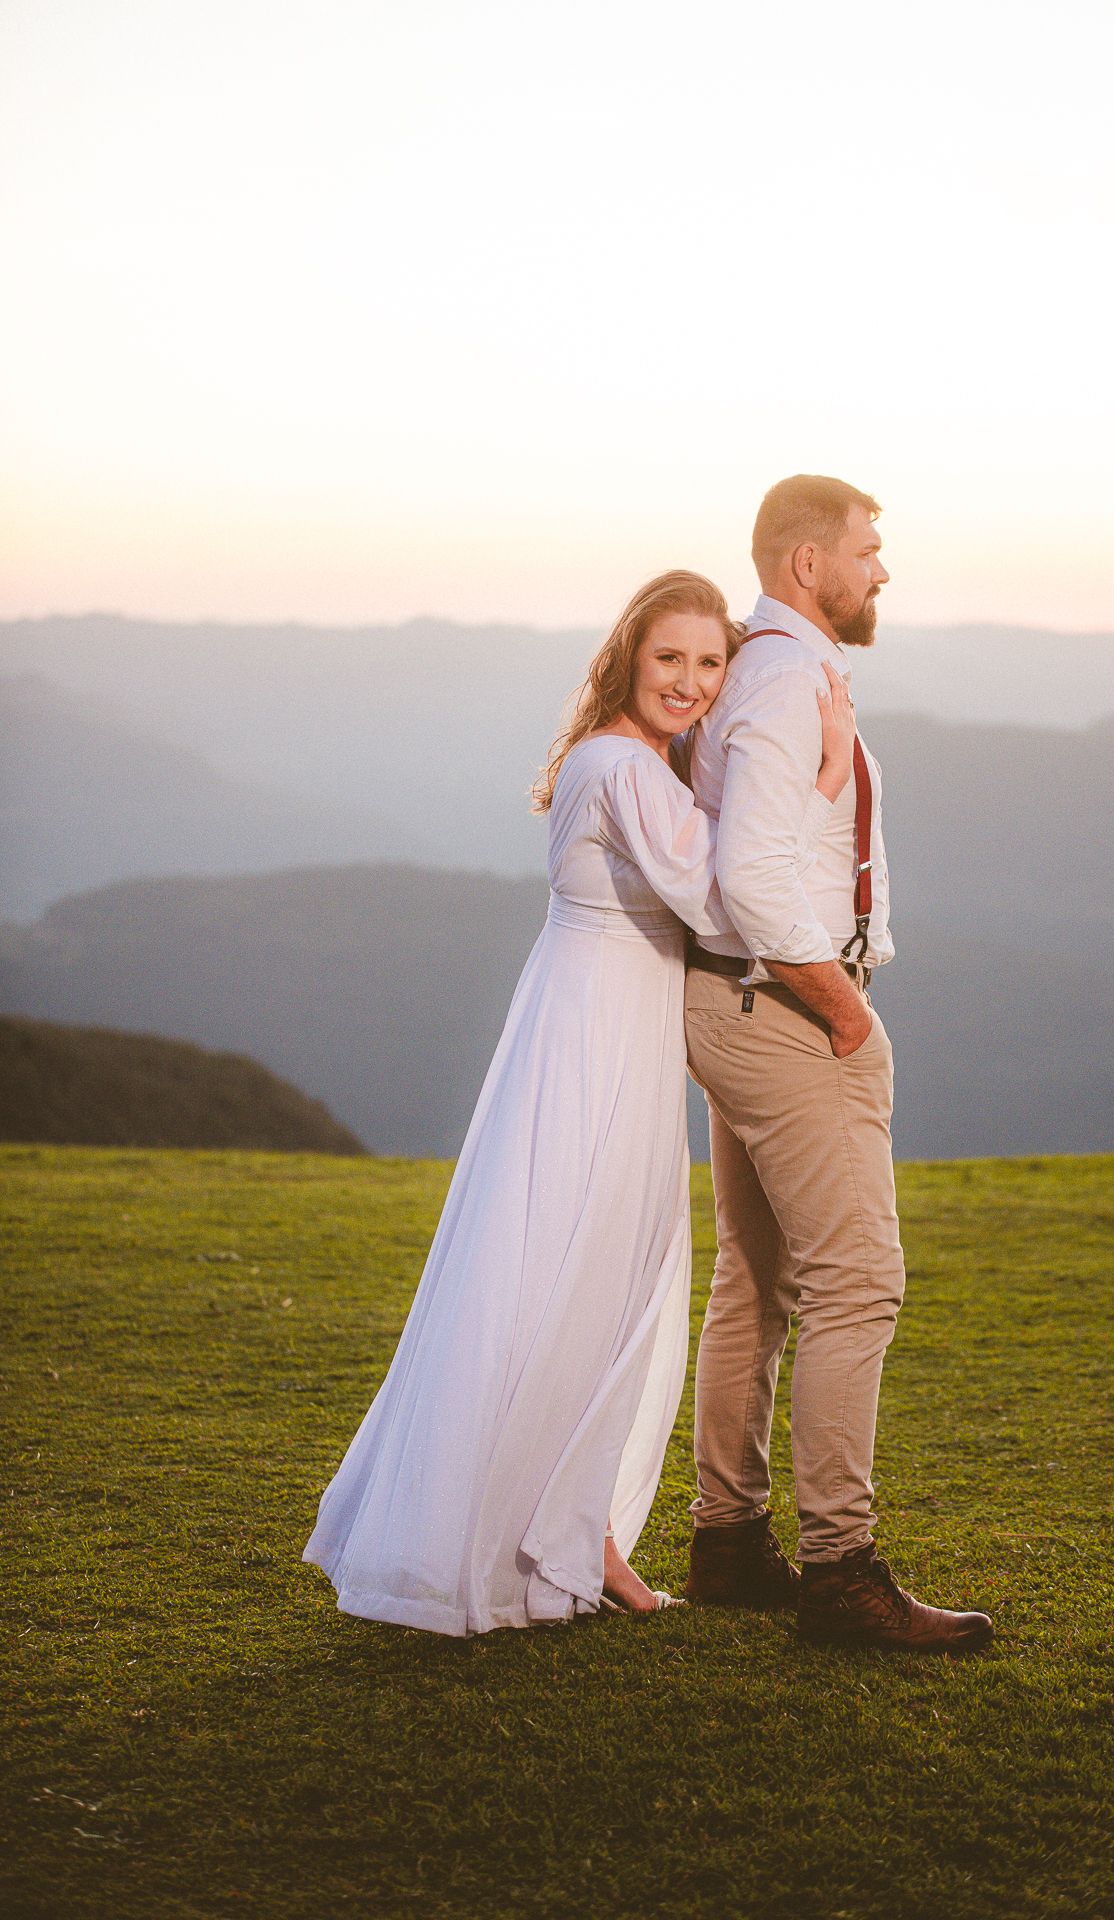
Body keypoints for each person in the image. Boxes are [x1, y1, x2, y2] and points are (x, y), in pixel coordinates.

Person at [303, 569, 852, 1636]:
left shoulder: (629, 758)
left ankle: (574, 1531)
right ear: (628, 657)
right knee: (578, 1276)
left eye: (710, 664)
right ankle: (564, 1538)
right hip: (595, 1039)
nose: (690, 683)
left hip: (595, 1022)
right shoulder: (620, 765)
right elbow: (728, 893)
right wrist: (825, 765)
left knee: (590, 1280)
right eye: (670, 659)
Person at [683, 476, 995, 1653]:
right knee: (856, 1285)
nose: (881, 571)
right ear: (807, 563)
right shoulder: (771, 680)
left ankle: (725, 1543)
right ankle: (838, 1574)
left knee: (755, 1283)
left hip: (735, 1006)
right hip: (785, 1011)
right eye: (869, 550)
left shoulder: (773, 668)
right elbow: (754, 879)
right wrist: (844, 1014)